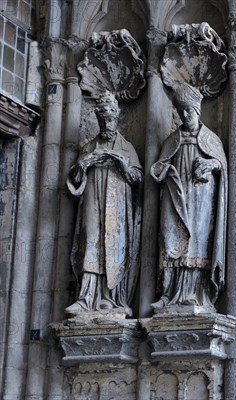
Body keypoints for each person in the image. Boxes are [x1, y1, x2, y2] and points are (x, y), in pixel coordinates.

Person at [151, 83, 227, 311]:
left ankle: (197, 293)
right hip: (175, 197)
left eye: (188, 110)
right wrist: (165, 171)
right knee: (171, 238)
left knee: (197, 243)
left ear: (197, 110)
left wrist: (210, 164)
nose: (184, 115)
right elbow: (158, 169)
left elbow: (222, 166)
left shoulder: (211, 139)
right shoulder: (172, 141)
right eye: (181, 110)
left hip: (202, 199)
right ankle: (171, 293)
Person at [66, 91, 142, 316]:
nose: (107, 123)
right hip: (92, 202)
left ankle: (112, 298)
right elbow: (75, 182)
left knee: (113, 247)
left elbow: (138, 178)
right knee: (90, 241)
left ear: (116, 118)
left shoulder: (126, 147)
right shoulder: (89, 147)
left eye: (110, 119)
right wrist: (84, 165)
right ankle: (86, 298)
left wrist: (123, 166)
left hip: (116, 207)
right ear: (98, 120)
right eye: (103, 120)